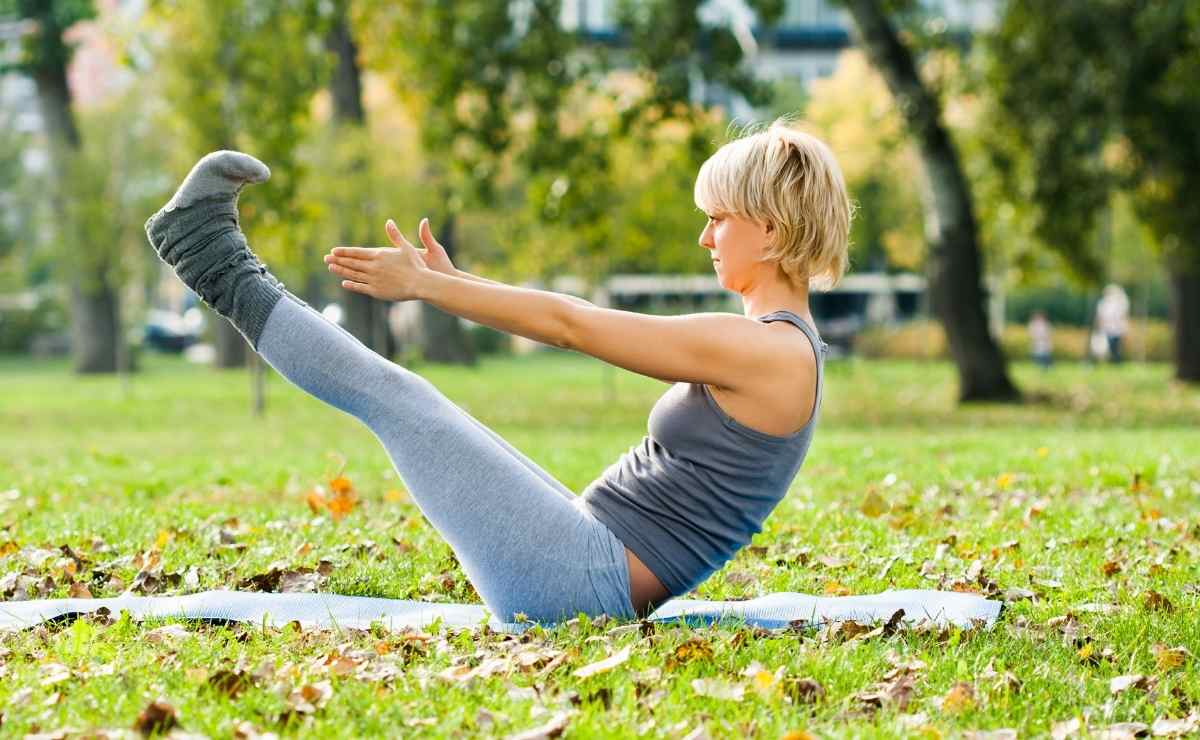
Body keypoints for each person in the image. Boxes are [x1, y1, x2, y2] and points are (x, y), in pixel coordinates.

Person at [142, 120, 849, 625]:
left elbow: (574, 325)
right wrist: (458, 283)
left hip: (577, 585)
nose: (704, 237)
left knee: (398, 397)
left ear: (773, 230)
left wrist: (432, 288)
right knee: (421, 404)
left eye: (718, 219)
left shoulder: (767, 352)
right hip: (582, 554)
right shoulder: (774, 345)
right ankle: (213, 254)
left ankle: (211, 258)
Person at [1095, 283, 1130, 364]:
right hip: (1108, 328)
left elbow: (1121, 315)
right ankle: (1113, 360)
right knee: (1110, 346)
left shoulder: (1118, 303)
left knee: (1115, 346)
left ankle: (1116, 361)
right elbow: (1101, 316)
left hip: (1116, 329)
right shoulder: (1104, 303)